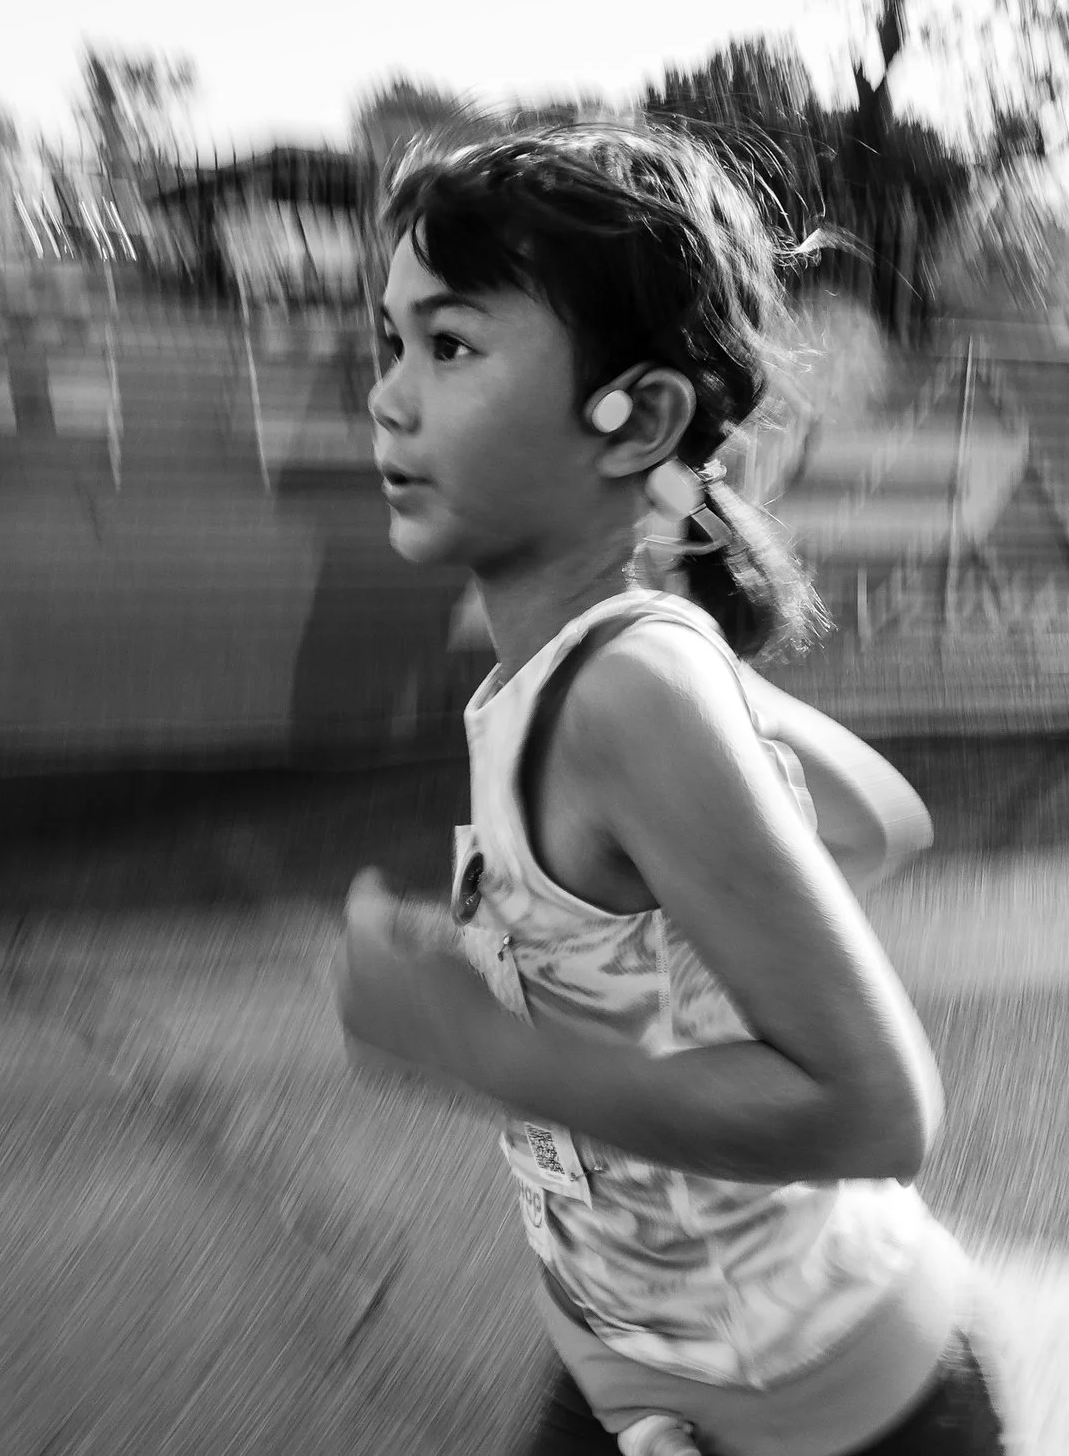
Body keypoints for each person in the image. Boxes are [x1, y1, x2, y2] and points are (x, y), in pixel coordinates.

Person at [330, 124, 1001, 1456]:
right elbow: (866, 816)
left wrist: (475, 1036)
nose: (390, 397)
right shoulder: (598, 672)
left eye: (451, 345)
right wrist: (686, 934)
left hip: (820, 1412)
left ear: (633, 416)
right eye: (389, 343)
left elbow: (878, 1111)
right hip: (639, 1366)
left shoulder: (630, 691)